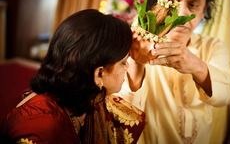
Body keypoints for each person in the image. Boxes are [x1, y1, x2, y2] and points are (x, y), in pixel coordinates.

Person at [119, 0, 230, 144]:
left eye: (193, 5)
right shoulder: (137, 40)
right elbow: (120, 105)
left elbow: (228, 93)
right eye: (172, 2)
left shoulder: (212, 47)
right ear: (157, 4)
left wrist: (195, 66)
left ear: (204, 11)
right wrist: (137, 62)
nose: (181, 15)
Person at [1, 9, 145, 144]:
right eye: (123, 62)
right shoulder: (44, 126)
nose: (126, 68)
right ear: (99, 73)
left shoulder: (83, 97)